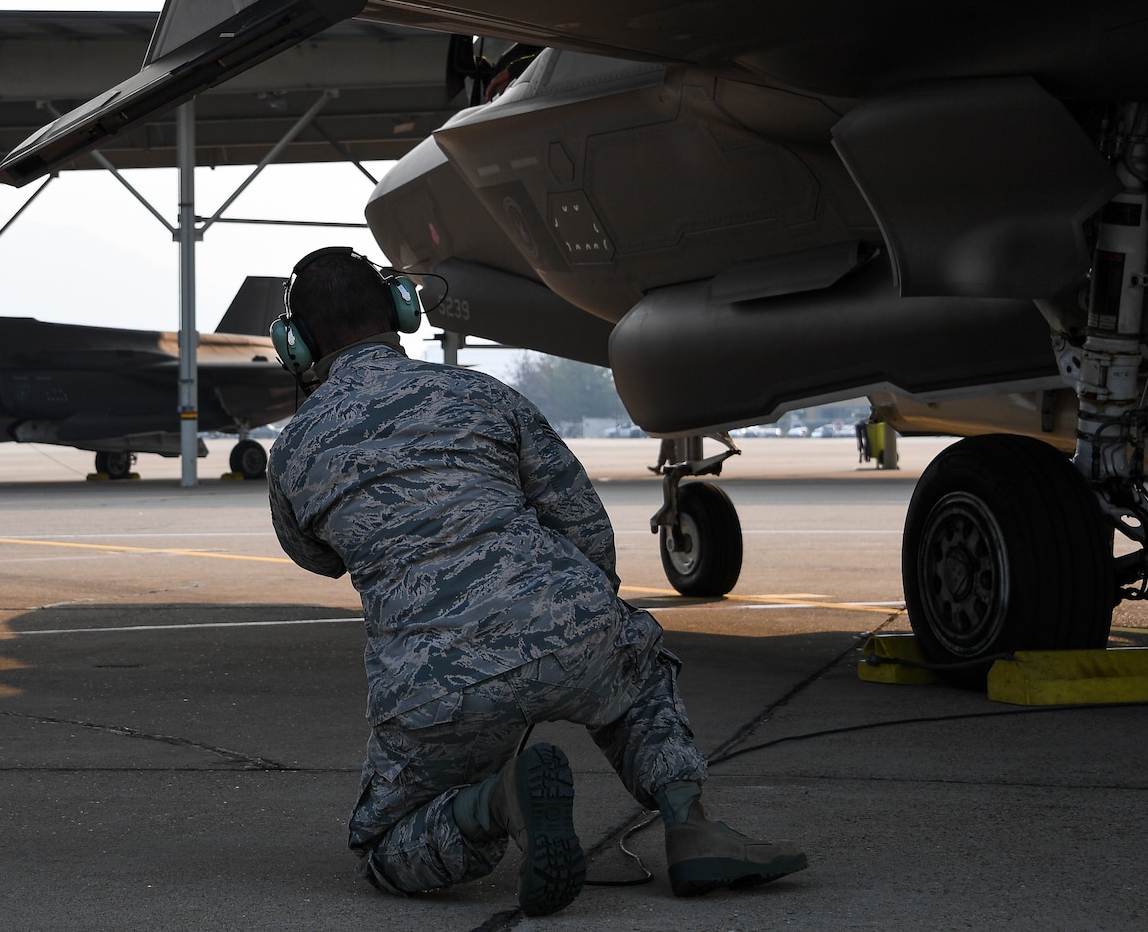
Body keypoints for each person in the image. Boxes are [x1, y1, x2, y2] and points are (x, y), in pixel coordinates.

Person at [265, 249, 806, 916]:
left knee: (384, 845)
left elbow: (318, 557)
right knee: (637, 672)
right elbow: (583, 522)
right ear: (402, 309)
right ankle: (689, 823)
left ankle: (498, 801)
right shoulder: (482, 394)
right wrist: (583, 624)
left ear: (295, 344)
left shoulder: (293, 449)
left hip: (435, 688)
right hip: (568, 624)